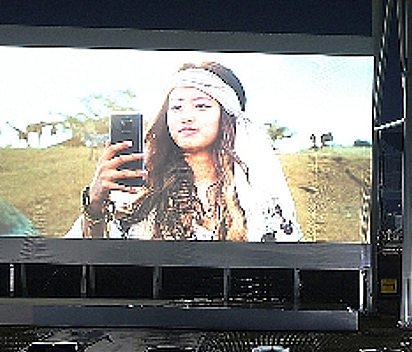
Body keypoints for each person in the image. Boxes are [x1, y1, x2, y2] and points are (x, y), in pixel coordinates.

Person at [70, 61, 303, 241]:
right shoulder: (143, 189)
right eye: (176, 107)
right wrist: (95, 204)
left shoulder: (257, 196)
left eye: (201, 106)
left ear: (227, 117)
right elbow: (97, 262)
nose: (186, 117)